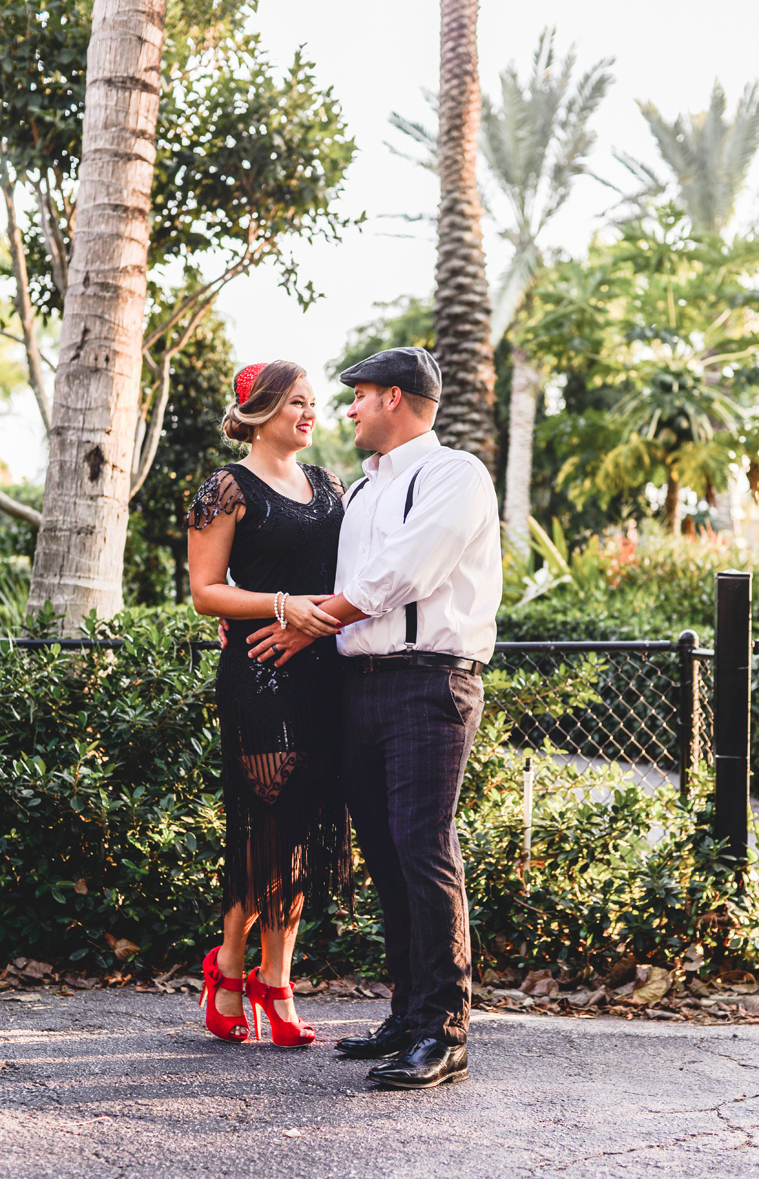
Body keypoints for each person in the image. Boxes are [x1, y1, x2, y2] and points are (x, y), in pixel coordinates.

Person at [243, 346, 500, 1090]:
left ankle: (445, 1032)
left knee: (423, 847)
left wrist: (306, 623)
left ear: (393, 398)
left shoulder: (455, 474)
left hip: (430, 681)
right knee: (386, 856)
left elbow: (404, 573)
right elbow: (336, 578)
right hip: (359, 683)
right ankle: (408, 1016)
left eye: (357, 396)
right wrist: (276, 613)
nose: (347, 409)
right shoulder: (359, 491)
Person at [186, 360, 351, 1049]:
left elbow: (352, 576)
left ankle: (274, 979)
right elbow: (206, 590)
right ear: (260, 411)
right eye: (296, 404)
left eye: (314, 404)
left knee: (306, 833)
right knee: (267, 833)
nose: (310, 415)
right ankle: (230, 970)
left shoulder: (331, 485)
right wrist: (279, 607)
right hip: (260, 674)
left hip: (327, 674)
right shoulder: (224, 487)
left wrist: (318, 619)